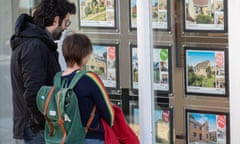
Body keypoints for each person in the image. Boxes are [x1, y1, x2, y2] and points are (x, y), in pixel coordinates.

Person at [10, 0, 76, 143]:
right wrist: (47, 122)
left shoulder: (33, 42)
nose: (65, 28)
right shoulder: (35, 46)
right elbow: (33, 93)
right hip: (38, 129)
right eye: (66, 22)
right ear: (56, 20)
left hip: (38, 127)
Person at [61, 33, 114, 144]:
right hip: (91, 136)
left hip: (65, 138)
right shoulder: (89, 79)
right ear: (84, 55)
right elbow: (109, 114)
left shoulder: (57, 79)